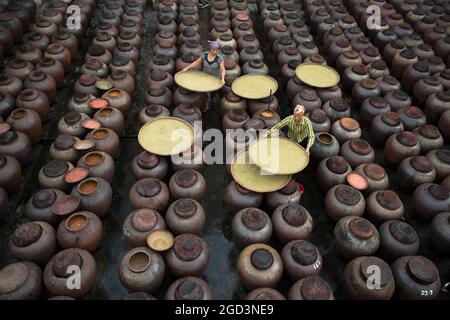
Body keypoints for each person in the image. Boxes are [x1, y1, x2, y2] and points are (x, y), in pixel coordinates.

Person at [181, 39, 226, 111]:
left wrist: (223, 79)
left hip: (215, 78)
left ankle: (213, 103)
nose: (215, 52)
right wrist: (187, 68)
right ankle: (206, 104)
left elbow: (223, 69)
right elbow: (196, 62)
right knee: (205, 92)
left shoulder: (219, 58)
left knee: (213, 92)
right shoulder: (204, 55)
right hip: (205, 77)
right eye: (213, 50)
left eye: (217, 50)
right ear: (210, 49)